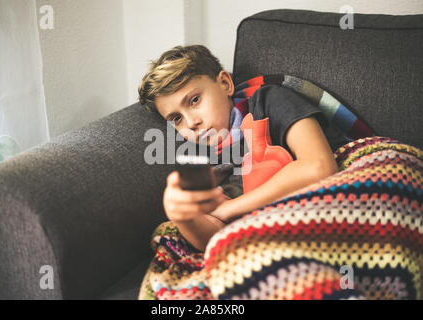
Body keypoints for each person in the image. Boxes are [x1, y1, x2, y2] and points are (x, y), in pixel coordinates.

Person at [138, 45, 338, 252]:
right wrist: (184, 217)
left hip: (331, 204)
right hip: (275, 237)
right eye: (176, 119)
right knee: (167, 232)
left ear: (225, 84)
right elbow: (217, 240)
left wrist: (231, 208)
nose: (191, 123)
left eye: (195, 100)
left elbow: (318, 166)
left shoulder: (269, 101)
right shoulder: (209, 164)